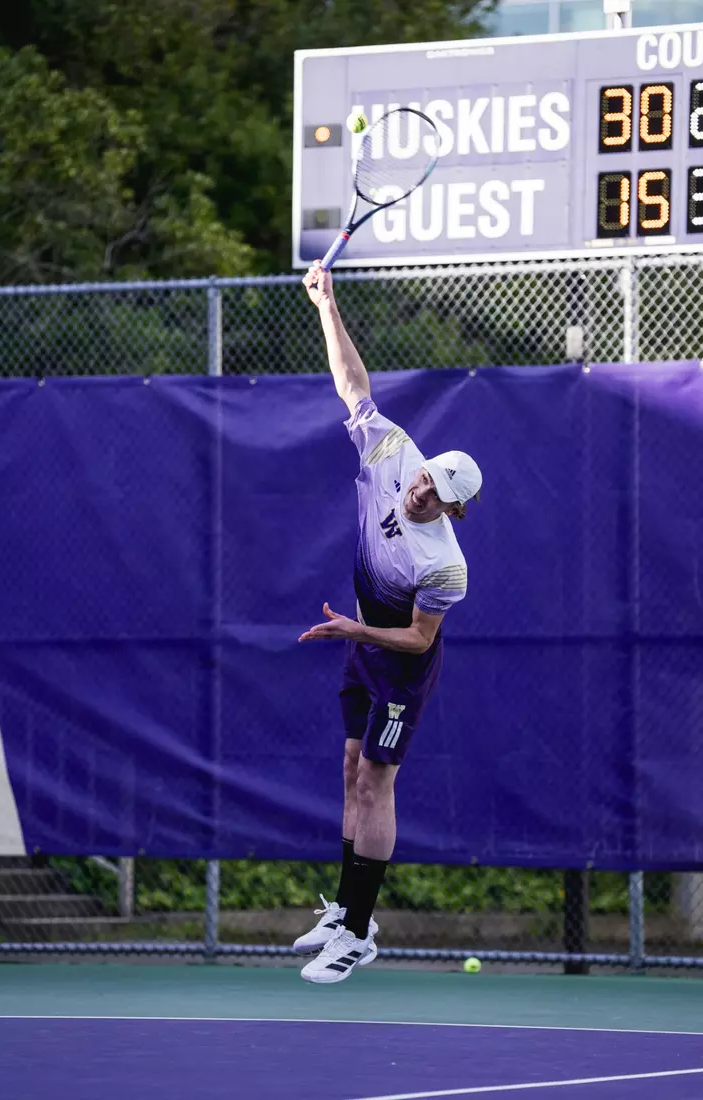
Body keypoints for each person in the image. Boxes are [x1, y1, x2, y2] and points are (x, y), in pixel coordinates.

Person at [294, 260, 483, 985]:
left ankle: (359, 939)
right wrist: (326, 305)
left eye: (436, 495)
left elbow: (418, 639)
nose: (420, 492)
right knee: (349, 769)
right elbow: (354, 387)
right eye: (426, 477)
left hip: (397, 662)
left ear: (454, 511)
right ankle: (348, 913)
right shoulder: (393, 451)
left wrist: (354, 631)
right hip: (359, 636)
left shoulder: (445, 567)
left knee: (376, 780)